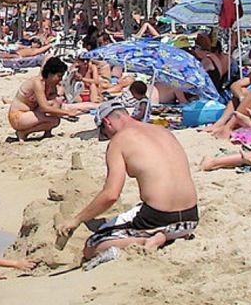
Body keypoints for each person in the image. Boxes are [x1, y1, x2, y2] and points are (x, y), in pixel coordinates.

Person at [56, 100, 199, 262]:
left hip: (159, 218)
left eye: (105, 133)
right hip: (191, 219)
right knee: (141, 208)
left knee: (91, 246)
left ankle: (146, 240)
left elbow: (111, 195)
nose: (108, 137)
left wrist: (77, 219)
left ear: (107, 123)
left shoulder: (119, 141)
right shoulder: (163, 131)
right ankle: (171, 236)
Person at [6, 57, 82, 141]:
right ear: (50, 74)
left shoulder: (51, 84)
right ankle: (24, 133)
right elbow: (44, 107)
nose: (60, 79)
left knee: (56, 109)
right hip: (18, 116)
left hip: (31, 113)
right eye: (59, 76)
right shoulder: (37, 83)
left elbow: (54, 103)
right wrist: (68, 113)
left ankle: (43, 132)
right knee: (54, 119)